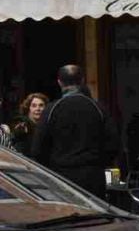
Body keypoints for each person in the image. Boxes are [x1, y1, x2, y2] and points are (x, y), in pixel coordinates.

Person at [32, 65, 118, 199]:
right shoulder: (98, 108)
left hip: (61, 178)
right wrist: (98, 163)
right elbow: (113, 144)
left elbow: (37, 150)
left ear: (59, 82)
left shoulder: (51, 110)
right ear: (83, 80)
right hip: (93, 177)